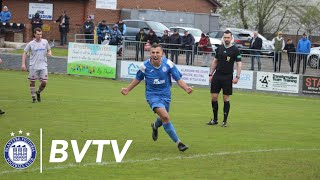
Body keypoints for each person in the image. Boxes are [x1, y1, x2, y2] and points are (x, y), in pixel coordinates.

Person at [121, 43, 193, 151]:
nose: (155, 55)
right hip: (152, 96)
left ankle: (155, 125)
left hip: (166, 95)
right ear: (150, 54)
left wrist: (186, 88)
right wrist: (128, 89)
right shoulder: (144, 66)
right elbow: (138, 79)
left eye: (157, 52)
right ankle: (179, 143)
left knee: (163, 117)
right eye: (153, 52)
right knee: (166, 117)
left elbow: (178, 79)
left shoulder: (169, 64)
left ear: (162, 54)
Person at [207, 30, 242, 127]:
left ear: (231, 38)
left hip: (227, 76)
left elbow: (239, 64)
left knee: (226, 98)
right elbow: (215, 61)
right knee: (214, 97)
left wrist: (237, 77)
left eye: (228, 37)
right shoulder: (219, 48)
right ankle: (215, 119)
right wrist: (211, 74)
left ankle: (224, 121)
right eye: (225, 37)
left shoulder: (235, 50)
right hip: (217, 75)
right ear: (223, 38)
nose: (226, 39)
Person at [21, 27, 52, 103]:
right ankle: (33, 98)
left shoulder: (45, 42)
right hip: (33, 66)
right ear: (34, 34)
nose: (40, 36)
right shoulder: (31, 44)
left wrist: (49, 53)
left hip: (43, 66)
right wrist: (23, 64)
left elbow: (49, 49)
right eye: (38, 34)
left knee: (44, 82)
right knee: (32, 82)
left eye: (41, 34)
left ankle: (38, 92)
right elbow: (24, 53)